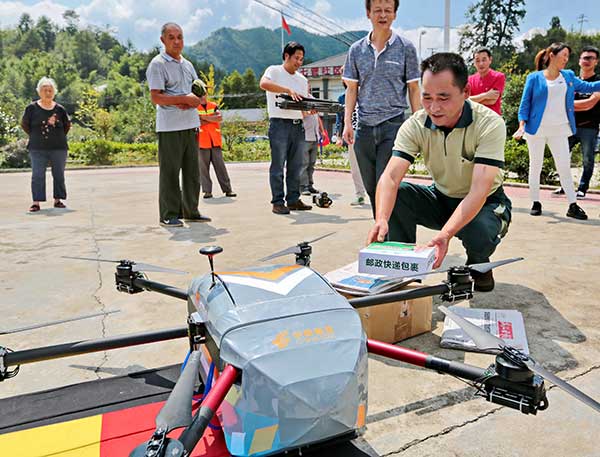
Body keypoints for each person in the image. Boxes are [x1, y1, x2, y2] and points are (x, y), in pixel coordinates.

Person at [367, 53, 512, 292]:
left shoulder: (489, 124)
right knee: (400, 194)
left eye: (444, 98)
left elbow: (478, 191)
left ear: (465, 92)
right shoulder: (416, 124)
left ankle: (479, 262)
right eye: (427, 97)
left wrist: (444, 235)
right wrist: (381, 218)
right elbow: (390, 177)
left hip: (485, 202)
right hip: (441, 196)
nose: (434, 107)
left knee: (480, 231)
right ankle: (403, 268)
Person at [342, 0, 421, 216]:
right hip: (364, 128)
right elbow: (351, 89)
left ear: (395, 14)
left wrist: (419, 124)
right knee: (370, 187)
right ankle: (383, 231)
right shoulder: (356, 50)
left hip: (393, 126)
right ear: (368, 13)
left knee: (385, 183)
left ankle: (386, 235)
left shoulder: (406, 48)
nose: (383, 15)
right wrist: (348, 123)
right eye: (377, 10)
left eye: (388, 10)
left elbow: (414, 89)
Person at [514, 42, 600, 220]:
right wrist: (521, 126)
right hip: (535, 130)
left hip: (560, 129)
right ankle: (536, 202)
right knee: (535, 166)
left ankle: (572, 205)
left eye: (568, 56)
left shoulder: (568, 76)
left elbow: (588, 87)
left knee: (564, 167)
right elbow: (524, 106)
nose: (566, 59)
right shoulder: (534, 78)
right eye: (564, 55)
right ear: (552, 56)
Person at [146, 22, 210, 227]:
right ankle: (168, 214)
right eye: (171, 37)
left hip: (191, 125)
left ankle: (191, 211)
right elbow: (156, 97)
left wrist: (196, 99)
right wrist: (183, 99)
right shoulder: (157, 64)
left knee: (192, 172)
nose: (176, 41)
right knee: (170, 173)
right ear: (163, 40)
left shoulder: (188, 64)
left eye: (180, 37)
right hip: (169, 127)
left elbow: (200, 91)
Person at [259, 41, 313, 214]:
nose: (299, 62)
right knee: (278, 165)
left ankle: (293, 199)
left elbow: (303, 106)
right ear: (286, 56)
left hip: (298, 125)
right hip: (279, 124)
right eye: (296, 58)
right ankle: (277, 201)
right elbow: (264, 84)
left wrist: (310, 111)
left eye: (301, 59)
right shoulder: (274, 71)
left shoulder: (302, 80)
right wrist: (288, 90)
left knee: (296, 166)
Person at [21, 77, 71, 213]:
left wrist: (58, 137)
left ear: (54, 92)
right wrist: (35, 135)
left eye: (50, 90)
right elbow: (25, 124)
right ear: (39, 92)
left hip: (58, 148)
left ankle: (58, 200)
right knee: (37, 175)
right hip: (37, 147)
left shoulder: (60, 109)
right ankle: (36, 202)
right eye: (44, 90)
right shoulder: (31, 108)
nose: (47, 93)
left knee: (59, 174)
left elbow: (67, 126)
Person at [568, 46, 600, 199]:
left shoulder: (598, 82)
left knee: (587, 159)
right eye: (584, 58)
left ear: (596, 61)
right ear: (579, 61)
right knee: (561, 156)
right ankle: (565, 186)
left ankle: (582, 188)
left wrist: (567, 105)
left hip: (589, 127)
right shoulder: (571, 81)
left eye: (591, 58)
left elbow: (590, 103)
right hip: (569, 126)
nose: (587, 61)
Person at [197, 94, 236, 199]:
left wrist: (204, 118)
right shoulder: (194, 108)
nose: (202, 97)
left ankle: (228, 190)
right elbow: (196, 122)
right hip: (202, 142)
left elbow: (219, 118)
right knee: (203, 169)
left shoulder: (213, 105)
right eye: (200, 95)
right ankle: (207, 192)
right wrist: (211, 118)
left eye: (204, 94)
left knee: (220, 167)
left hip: (215, 141)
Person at [335, 86, 366, 206]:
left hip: (368, 133)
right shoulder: (342, 98)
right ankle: (360, 195)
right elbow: (339, 118)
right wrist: (338, 136)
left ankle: (379, 195)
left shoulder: (367, 92)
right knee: (355, 167)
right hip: (352, 135)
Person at [468, 47, 506, 115]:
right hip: (474, 120)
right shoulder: (469, 80)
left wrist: (473, 101)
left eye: (484, 60)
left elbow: (492, 101)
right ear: (474, 62)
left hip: (493, 119)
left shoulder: (499, 76)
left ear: (490, 60)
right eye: (477, 60)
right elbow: (465, 100)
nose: (481, 64)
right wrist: (486, 95)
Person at [300, 111, 324, 195]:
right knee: (304, 163)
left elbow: (318, 118)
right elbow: (300, 115)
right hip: (305, 137)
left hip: (315, 136)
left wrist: (322, 130)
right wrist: (309, 112)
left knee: (311, 163)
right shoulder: (301, 100)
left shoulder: (312, 99)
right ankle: (303, 186)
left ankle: (310, 185)